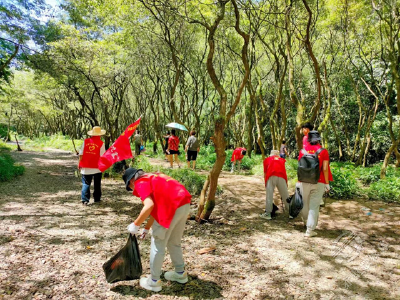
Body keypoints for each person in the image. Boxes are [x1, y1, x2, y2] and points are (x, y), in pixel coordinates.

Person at [122, 168, 191, 292]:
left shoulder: (140, 182)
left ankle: (153, 282)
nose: (133, 190)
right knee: (174, 242)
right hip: (184, 203)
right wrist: (146, 228)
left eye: (130, 187)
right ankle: (180, 273)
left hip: (171, 207)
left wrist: (135, 224)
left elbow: (149, 206)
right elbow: (157, 205)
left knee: (158, 244)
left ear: (131, 181)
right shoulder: (154, 176)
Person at [298, 131, 333, 237]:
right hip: (319, 181)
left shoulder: (302, 151)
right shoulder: (323, 151)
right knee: (314, 206)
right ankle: (309, 230)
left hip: (304, 180)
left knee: (305, 203)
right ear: (318, 139)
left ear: (308, 140)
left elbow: (300, 167)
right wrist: (327, 183)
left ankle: (305, 221)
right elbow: (325, 168)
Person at [78, 126, 106, 206]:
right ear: (100, 135)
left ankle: (85, 200)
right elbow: (102, 156)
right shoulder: (101, 143)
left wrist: (79, 163)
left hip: (86, 167)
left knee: (86, 183)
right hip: (97, 167)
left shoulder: (86, 141)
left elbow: (81, 154)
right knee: (97, 183)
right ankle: (97, 199)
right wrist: (103, 166)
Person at [260, 150, 289, 220]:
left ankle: (268, 213)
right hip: (281, 177)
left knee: (269, 195)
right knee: (285, 195)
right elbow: (284, 171)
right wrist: (286, 182)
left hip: (271, 176)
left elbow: (265, 173)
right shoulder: (282, 160)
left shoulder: (267, 160)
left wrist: (266, 182)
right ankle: (291, 212)